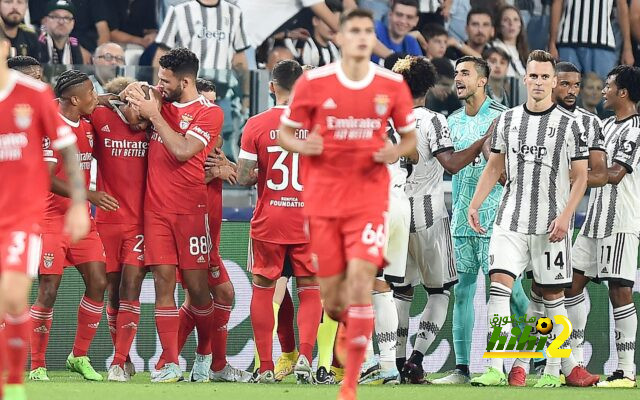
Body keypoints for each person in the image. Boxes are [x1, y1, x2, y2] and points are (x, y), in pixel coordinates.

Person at [277, 9, 417, 400]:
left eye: (367, 31)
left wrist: (389, 152)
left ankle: (351, 383)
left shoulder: (391, 85)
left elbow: (410, 143)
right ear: (339, 37)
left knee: (361, 284)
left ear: (373, 39)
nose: (360, 37)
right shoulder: (314, 83)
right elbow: (285, 133)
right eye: (353, 30)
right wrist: (305, 144)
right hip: (325, 201)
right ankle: (345, 334)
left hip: (371, 201)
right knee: (335, 300)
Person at [467, 50, 598, 388]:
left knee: (552, 301)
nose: (538, 82)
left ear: (553, 82)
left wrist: (567, 217)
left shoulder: (571, 125)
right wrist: (475, 204)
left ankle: (560, 366)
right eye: (533, 76)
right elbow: (495, 166)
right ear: (524, 79)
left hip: (551, 225)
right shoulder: (508, 120)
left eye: (544, 77)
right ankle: (498, 366)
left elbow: (581, 176)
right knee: (498, 289)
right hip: (509, 220)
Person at [506, 60, 608, 386]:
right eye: (565, 84)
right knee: (543, 295)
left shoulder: (588, 123)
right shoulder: (524, 119)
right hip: (525, 218)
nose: (572, 91)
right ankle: (553, 366)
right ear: (551, 84)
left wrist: (565, 178)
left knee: (548, 294)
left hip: (559, 219)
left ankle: (537, 366)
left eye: (576, 85)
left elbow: (599, 173)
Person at [0, 29, 88, 400]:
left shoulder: (34, 97)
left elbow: (67, 150)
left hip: (20, 216)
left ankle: (16, 382)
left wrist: (81, 202)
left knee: (13, 297)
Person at [125, 47, 223, 383]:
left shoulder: (210, 114)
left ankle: (204, 354)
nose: (159, 85)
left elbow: (182, 151)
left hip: (192, 211)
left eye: (165, 80)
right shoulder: (159, 100)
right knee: (164, 284)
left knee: (198, 292)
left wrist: (153, 114)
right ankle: (169, 362)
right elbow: (128, 113)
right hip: (156, 211)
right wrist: (128, 93)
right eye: (157, 78)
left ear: (185, 81)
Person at [388, 56, 486, 384]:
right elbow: (452, 163)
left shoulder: (385, 121)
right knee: (439, 292)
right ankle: (416, 360)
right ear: (429, 86)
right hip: (429, 216)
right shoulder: (432, 121)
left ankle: (397, 363)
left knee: (400, 293)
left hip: (393, 217)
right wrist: (482, 141)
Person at [430, 56, 528, 385]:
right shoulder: (452, 121)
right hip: (462, 219)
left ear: (482, 81)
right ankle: (461, 369)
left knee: (511, 295)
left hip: (499, 220)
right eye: (456, 73)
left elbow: (513, 173)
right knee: (463, 293)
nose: (458, 78)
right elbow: (451, 165)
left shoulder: (504, 118)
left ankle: (539, 358)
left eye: (465, 73)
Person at [236, 59, 322, 384]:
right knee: (310, 289)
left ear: (272, 86)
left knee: (263, 288)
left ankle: (267, 366)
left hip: (269, 218)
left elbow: (243, 177)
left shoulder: (256, 124)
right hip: (308, 218)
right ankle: (305, 358)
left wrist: (264, 171)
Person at [29, 70, 111, 383]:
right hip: (50, 221)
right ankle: (37, 364)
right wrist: (88, 194)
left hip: (82, 223)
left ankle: (78, 356)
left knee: (98, 282)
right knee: (48, 290)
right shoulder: (53, 128)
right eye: (91, 93)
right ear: (75, 99)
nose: (95, 96)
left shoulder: (88, 123)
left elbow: (103, 100)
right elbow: (47, 178)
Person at [565, 65, 640, 388]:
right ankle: (574, 362)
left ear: (622, 92)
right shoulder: (606, 125)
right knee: (570, 287)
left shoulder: (636, 130)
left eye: (608, 85)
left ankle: (625, 369)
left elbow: (614, 174)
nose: (603, 91)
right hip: (593, 221)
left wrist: (571, 176)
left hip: (620, 222)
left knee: (620, 291)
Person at [175, 78, 249, 383]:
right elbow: (175, 183)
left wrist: (227, 166)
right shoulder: (185, 140)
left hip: (209, 231)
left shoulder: (213, 141)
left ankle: (189, 362)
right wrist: (216, 173)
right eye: (205, 101)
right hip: (191, 227)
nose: (211, 108)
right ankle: (211, 363)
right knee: (222, 293)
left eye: (214, 102)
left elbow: (233, 172)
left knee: (198, 301)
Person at [85, 77, 151, 382]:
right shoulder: (103, 118)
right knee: (112, 293)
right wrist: (106, 97)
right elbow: (79, 103)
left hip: (139, 223)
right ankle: (120, 359)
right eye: (137, 105)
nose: (145, 115)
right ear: (125, 103)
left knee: (130, 289)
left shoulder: (153, 126)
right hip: (107, 220)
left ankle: (119, 360)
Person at [549, 0, 634, 78]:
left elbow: (622, 7)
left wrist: (627, 48)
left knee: (603, 91)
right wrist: (552, 42)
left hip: (603, 43)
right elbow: (557, 3)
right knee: (567, 91)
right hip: (568, 41)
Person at [289, 0, 342, 67]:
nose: (332, 27)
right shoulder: (305, 45)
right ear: (315, 21)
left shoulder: (335, 49)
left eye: (337, 23)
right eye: (327, 23)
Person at [372, 0, 422, 64]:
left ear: (416, 21)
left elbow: (418, 69)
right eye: (399, 15)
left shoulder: (412, 43)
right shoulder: (376, 28)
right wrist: (393, 57)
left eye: (409, 17)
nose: (403, 21)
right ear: (390, 15)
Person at [38, 0, 83, 65]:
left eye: (66, 18)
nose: (61, 22)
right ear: (45, 21)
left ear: (73, 23)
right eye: (56, 17)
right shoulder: (38, 43)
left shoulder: (74, 46)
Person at [491, 5, 528, 78]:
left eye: (515, 19)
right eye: (506, 20)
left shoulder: (522, 52)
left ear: (520, 25)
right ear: (499, 25)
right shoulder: (494, 47)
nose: (511, 23)